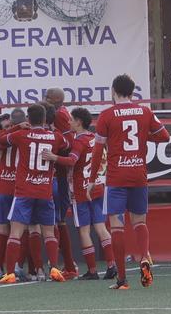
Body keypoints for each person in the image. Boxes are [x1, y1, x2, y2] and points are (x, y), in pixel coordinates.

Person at [86, 75, 170, 290]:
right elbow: (165, 137)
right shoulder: (145, 111)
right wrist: (145, 137)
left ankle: (122, 280)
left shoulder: (106, 115)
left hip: (116, 177)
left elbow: (97, 152)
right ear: (133, 92)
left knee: (117, 226)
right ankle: (144, 257)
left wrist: (92, 179)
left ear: (113, 90)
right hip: (138, 175)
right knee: (139, 222)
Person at [0, 104, 69, 283]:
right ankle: (54, 269)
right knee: (48, 233)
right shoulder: (54, 137)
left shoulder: (21, 135)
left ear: (28, 119)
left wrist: (18, 126)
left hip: (24, 192)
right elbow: (66, 144)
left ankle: (10, 273)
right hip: (44, 191)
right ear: (44, 119)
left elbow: (1, 139)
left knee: (15, 233)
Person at [41, 107, 117, 280]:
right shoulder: (94, 139)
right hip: (97, 186)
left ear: (79, 122)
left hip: (82, 190)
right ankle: (112, 264)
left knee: (84, 230)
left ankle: (92, 270)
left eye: (71, 119)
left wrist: (53, 157)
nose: (68, 122)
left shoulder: (80, 141)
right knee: (100, 227)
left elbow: (72, 160)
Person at [44, 89, 78, 279]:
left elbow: (69, 145)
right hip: (55, 176)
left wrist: (57, 157)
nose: (44, 100)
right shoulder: (62, 117)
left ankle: (49, 267)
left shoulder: (59, 117)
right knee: (57, 220)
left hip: (53, 177)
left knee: (37, 225)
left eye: (47, 98)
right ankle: (65, 265)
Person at [0, 113, 14, 280]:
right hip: (5, 190)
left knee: (23, 230)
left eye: (11, 125)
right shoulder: (0, 141)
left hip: (22, 190)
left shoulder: (23, 138)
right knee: (4, 229)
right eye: (6, 127)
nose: (10, 129)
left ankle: (21, 267)